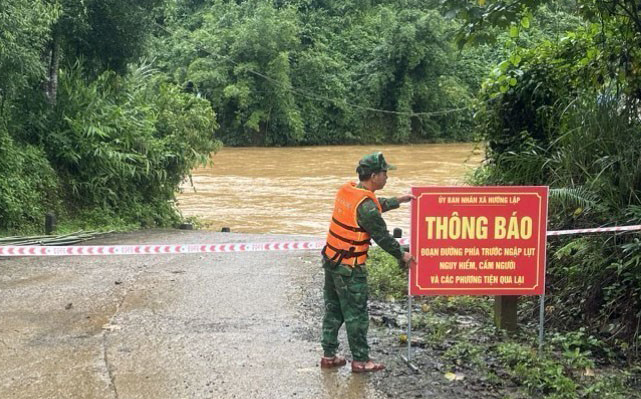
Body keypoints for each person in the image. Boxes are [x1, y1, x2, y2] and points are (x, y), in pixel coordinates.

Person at [320, 151, 415, 373]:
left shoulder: (349, 191)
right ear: (374, 176)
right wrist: (403, 255)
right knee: (356, 315)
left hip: (332, 260)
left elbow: (372, 205)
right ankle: (361, 361)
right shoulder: (367, 207)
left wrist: (397, 201)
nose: (387, 177)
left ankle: (329, 355)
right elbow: (382, 236)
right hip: (349, 269)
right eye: (385, 173)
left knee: (333, 310)